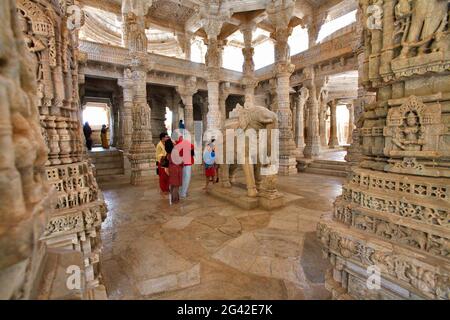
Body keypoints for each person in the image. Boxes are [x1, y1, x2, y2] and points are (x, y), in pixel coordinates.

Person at [165, 139, 182, 205]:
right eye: (172, 142)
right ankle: (175, 200)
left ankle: (173, 198)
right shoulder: (174, 152)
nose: (174, 143)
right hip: (176, 169)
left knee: (172, 185)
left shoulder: (168, 152)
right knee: (176, 185)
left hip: (171, 168)